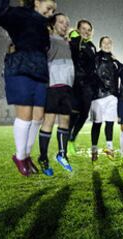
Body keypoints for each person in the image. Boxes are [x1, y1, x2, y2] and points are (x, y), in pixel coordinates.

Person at [0, 0, 56, 176]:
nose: (51, 11)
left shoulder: (44, 24)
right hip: (21, 69)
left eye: (54, 9)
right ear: (37, 2)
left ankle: (27, 155)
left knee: (38, 117)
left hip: (40, 73)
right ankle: (20, 156)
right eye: (49, 6)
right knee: (25, 115)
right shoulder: (20, 14)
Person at [37, 12, 74, 176]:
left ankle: (62, 154)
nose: (65, 25)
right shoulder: (47, 39)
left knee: (65, 120)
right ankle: (43, 157)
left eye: (66, 22)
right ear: (52, 24)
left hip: (66, 87)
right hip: (52, 85)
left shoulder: (67, 42)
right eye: (61, 22)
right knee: (49, 121)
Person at [67, 19, 98, 154]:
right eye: (83, 28)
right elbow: (72, 49)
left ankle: (72, 138)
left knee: (84, 114)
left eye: (89, 29)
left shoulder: (92, 46)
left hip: (88, 86)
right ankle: (66, 142)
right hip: (76, 83)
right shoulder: (75, 42)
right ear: (78, 29)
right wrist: (74, 36)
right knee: (73, 114)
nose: (86, 31)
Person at [90, 36, 121, 162]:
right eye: (104, 42)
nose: (107, 44)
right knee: (97, 123)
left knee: (110, 123)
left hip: (112, 96)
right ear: (100, 44)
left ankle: (109, 148)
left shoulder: (114, 61)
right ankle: (94, 149)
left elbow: (119, 75)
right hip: (98, 95)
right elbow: (92, 74)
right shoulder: (95, 57)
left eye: (109, 42)